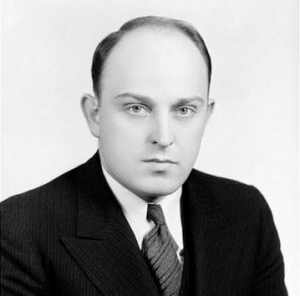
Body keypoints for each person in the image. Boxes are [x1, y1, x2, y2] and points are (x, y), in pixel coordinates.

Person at [1, 16, 287, 296]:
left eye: (184, 110)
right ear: (94, 115)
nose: (163, 137)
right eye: (137, 108)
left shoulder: (246, 213)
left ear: (207, 116)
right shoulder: (21, 229)